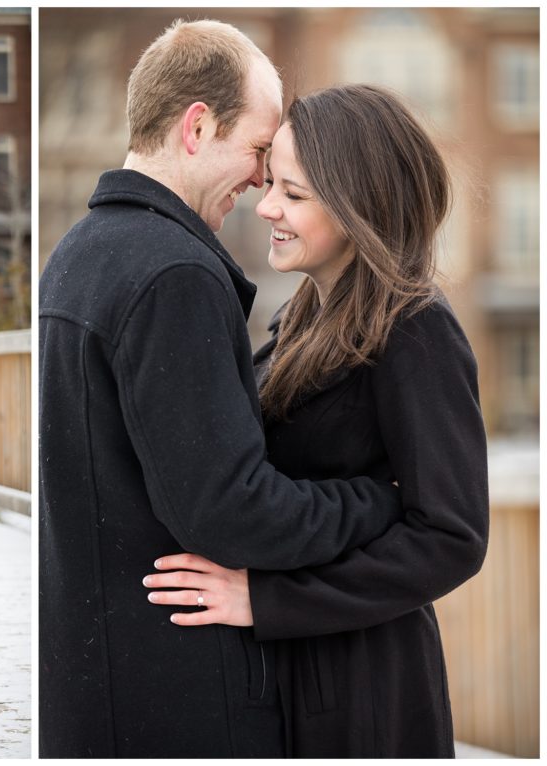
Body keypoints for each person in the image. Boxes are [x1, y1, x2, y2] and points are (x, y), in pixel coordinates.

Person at [39, 20, 408, 758]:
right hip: (183, 693)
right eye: (259, 152)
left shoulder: (76, 254)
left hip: (93, 680)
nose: (259, 183)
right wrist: (377, 498)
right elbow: (232, 511)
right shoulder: (175, 272)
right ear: (197, 126)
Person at [143, 84, 489, 757]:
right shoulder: (302, 313)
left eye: (294, 194)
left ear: (363, 205)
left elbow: (452, 537)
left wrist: (268, 600)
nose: (267, 205)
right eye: (270, 181)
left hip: (364, 686)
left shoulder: (415, 329)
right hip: (289, 673)